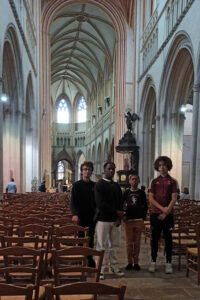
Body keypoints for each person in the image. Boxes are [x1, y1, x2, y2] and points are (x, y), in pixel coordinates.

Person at [148, 156, 178, 274]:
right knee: (154, 239)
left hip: (168, 215)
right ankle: (153, 261)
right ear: (157, 167)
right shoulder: (154, 181)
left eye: (164, 165)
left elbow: (174, 198)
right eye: (160, 165)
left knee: (168, 239)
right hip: (156, 214)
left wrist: (166, 211)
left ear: (168, 166)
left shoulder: (173, 181)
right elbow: (151, 198)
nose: (162, 167)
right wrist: (162, 210)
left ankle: (168, 262)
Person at [94, 161, 125, 280]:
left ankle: (114, 267)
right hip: (103, 220)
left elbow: (120, 203)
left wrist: (119, 218)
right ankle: (100, 269)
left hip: (115, 221)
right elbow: (100, 204)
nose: (111, 171)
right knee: (101, 245)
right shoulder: (99, 185)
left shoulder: (116, 186)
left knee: (115, 245)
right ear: (104, 170)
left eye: (113, 169)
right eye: (109, 169)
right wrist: (116, 212)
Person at [70, 161, 96, 267]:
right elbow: (73, 202)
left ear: (91, 172)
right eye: (85, 169)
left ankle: (89, 258)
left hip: (91, 216)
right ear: (82, 171)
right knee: (81, 239)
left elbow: (96, 202)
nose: (87, 171)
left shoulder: (94, 185)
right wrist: (74, 214)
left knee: (90, 238)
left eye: (89, 169)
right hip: (80, 216)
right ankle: (81, 258)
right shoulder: (76, 185)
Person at [122, 174, 148, 271]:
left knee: (137, 243)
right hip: (128, 221)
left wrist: (143, 217)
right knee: (129, 243)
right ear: (129, 181)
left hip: (138, 220)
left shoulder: (141, 193)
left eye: (136, 179)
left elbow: (145, 206)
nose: (134, 181)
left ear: (139, 181)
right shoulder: (126, 192)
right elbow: (121, 204)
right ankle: (129, 262)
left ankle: (136, 262)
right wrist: (123, 215)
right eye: (133, 179)